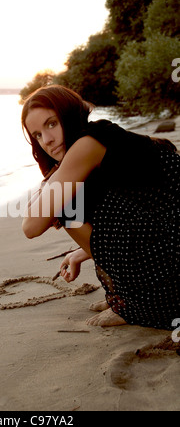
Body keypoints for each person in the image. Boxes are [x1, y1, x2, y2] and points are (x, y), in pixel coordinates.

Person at [21, 85, 179, 330]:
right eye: (38, 135)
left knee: (65, 206)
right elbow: (140, 215)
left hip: (170, 273)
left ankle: (130, 304)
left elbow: (31, 226)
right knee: (69, 198)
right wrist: (78, 253)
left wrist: (50, 198)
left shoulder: (88, 144)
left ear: (69, 115)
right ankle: (127, 294)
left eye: (52, 124)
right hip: (168, 242)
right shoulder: (99, 136)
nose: (47, 140)